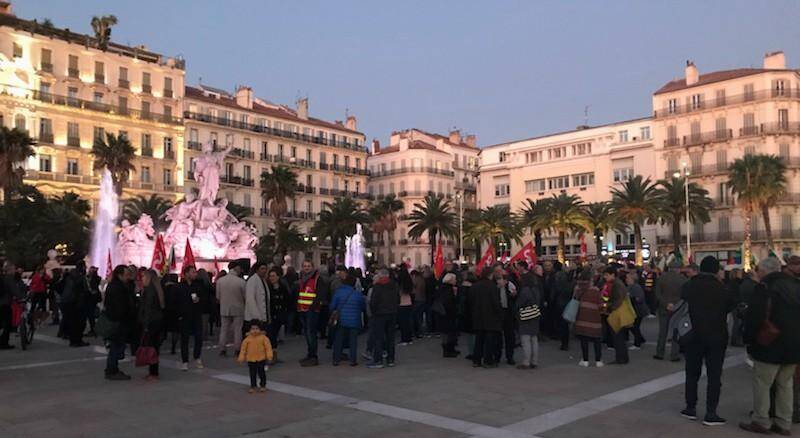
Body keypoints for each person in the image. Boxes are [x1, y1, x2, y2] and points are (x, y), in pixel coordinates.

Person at [739, 257, 800, 435]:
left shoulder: (764, 288)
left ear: (764, 271)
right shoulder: (796, 286)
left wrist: (749, 339)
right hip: (794, 343)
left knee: (762, 383)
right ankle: (784, 422)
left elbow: (755, 318)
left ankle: (761, 420)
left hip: (770, 343)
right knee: (786, 384)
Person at [680, 256, 736, 426]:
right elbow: (730, 307)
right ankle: (711, 413)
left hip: (693, 335)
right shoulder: (722, 289)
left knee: (691, 373)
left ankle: (690, 408)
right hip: (716, 336)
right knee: (714, 375)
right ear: (715, 270)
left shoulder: (689, 286)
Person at [103, 265, 136, 380]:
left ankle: (112, 368)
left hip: (118, 320)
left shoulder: (118, 286)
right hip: (117, 321)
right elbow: (119, 307)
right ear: (119, 275)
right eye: (126, 275)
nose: (128, 277)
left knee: (116, 346)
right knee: (116, 346)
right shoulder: (117, 288)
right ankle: (112, 370)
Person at [468, 267, 503, 368]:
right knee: (489, 341)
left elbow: (470, 301)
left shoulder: (475, 286)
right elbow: (496, 303)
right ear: (490, 275)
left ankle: (476, 360)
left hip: (478, 316)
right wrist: (500, 314)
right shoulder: (492, 286)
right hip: (490, 317)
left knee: (479, 339)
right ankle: (488, 361)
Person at [653, 260, 687, 361]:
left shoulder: (661, 278)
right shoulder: (683, 279)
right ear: (679, 269)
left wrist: (666, 303)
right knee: (676, 331)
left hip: (664, 307)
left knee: (663, 331)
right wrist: (676, 304)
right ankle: (674, 355)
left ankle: (660, 353)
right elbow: (684, 295)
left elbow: (657, 294)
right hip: (678, 309)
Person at [296, 260, 328, 367]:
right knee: (307, 333)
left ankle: (313, 356)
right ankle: (310, 354)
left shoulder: (317, 279)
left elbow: (321, 294)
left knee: (311, 333)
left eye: (308, 266)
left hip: (312, 310)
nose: (306, 268)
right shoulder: (301, 279)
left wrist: (313, 306)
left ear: (313, 267)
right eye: (304, 266)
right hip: (302, 309)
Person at [330, 274, 366, 366]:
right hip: (354, 320)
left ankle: (336, 359)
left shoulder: (338, 292)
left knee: (338, 339)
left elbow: (332, 306)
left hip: (341, 319)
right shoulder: (357, 294)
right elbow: (362, 307)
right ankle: (353, 360)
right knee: (353, 340)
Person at [367, 268, 400, 369]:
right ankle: (390, 359)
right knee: (390, 337)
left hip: (380, 315)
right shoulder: (394, 285)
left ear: (380, 276)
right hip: (392, 313)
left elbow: (373, 302)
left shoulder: (378, 286)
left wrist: (374, 312)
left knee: (379, 338)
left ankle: (378, 360)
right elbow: (398, 299)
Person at [176, 265, 205, 371]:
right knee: (185, 339)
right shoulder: (179, 287)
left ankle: (197, 356)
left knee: (198, 337)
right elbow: (176, 302)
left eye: (195, 272)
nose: (195, 274)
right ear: (186, 273)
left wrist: (199, 300)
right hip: (184, 316)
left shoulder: (198, 285)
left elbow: (203, 299)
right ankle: (185, 361)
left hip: (196, 315)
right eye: (193, 272)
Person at [138, 269, 165, 381]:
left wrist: (145, 325)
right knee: (154, 348)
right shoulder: (157, 289)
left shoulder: (149, 290)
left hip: (151, 322)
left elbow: (148, 308)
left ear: (149, 277)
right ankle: (154, 371)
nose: (142, 279)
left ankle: (153, 373)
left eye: (143, 277)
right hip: (157, 321)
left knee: (151, 347)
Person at [574, 268, 604, 367]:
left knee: (584, 339)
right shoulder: (595, 290)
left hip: (581, 317)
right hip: (594, 317)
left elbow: (574, 300)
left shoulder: (577, 289)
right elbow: (600, 304)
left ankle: (585, 360)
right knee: (597, 339)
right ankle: (598, 360)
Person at [514, 262, 541, 369]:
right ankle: (534, 361)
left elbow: (520, 303)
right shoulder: (536, 289)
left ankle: (526, 361)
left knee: (525, 338)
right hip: (535, 313)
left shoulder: (525, 290)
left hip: (525, 315)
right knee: (534, 338)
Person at [216, 261, 246, 357]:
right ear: (236, 268)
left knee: (224, 329)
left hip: (224, 307)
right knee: (237, 330)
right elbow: (245, 296)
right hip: (238, 307)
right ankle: (237, 349)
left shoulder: (220, 281)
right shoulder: (241, 282)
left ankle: (222, 349)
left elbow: (218, 296)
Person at [601, 267, 629, 365]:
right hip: (615, 312)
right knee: (618, 336)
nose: (605, 277)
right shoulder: (615, 283)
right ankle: (622, 357)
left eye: (606, 275)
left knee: (618, 336)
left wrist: (608, 306)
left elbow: (618, 300)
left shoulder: (617, 285)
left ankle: (621, 358)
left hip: (617, 312)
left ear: (613, 274)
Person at [237, 321, 273, 393]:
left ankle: (263, 385)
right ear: (249, 330)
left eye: (257, 328)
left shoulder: (264, 338)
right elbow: (243, 350)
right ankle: (253, 386)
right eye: (253, 329)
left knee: (261, 373)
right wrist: (241, 358)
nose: (255, 330)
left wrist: (269, 356)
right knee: (252, 374)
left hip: (261, 359)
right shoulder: (247, 339)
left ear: (260, 329)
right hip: (251, 359)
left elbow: (268, 347)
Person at [62, 260, 90, 347]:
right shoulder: (80, 276)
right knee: (80, 322)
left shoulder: (70, 275)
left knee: (72, 321)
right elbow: (85, 289)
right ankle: (77, 340)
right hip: (77, 301)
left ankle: (73, 340)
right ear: (82, 267)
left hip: (68, 301)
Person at [266, 266, 289, 361]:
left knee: (274, 334)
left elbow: (287, 300)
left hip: (279, 315)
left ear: (278, 277)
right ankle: (270, 355)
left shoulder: (283, 287)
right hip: (271, 314)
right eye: (270, 276)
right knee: (271, 335)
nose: (272, 278)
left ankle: (274, 355)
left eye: (273, 276)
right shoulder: (267, 288)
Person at [0, 262, 23, 349]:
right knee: (8, 324)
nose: (15, 271)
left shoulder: (2, 276)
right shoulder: (9, 278)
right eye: (14, 269)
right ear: (10, 269)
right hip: (5, 304)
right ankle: (3, 343)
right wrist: (21, 297)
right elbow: (14, 290)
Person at [438, 273, 461, 358]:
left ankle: (449, 349)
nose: (455, 281)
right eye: (454, 279)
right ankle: (449, 350)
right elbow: (449, 302)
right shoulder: (448, 289)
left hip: (443, 314)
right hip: (448, 314)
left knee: (447, 333)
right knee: (449, 332)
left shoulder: (442, 288)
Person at [626, 271, 649, 349]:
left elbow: (640, 298)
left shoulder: (636, 287)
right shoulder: (630, 287)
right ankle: (640, 339)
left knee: (634, 326)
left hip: (638, 310)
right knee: (634, 326)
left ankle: (637, 343)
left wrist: (631, 299)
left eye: (628, 278)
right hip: (635, 310)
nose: (626, 279)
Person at [244, 262, 269, 330]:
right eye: (262, 269)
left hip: (262, 316)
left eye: (265, 269)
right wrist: (256, 316)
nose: (264, 271)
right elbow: (250, 299)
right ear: (257, 270)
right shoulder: (253, 280)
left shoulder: (263, 280)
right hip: (254, 319)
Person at [397, 268, 414, 346]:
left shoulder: (400, 284)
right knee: (408, 322)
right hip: (409, 303)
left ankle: (404, 339)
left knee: (403, 323)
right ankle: (409, 339)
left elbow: (399, 294)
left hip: (401, 304)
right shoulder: (409, 282)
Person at [411, 269, 427, 339]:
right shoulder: (422, 279)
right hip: (423, 299)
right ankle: (420, 332)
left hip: (417, 299)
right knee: (419, 316)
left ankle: (416, 332)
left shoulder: (416, 279)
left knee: (415, 316)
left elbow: (413, 288)